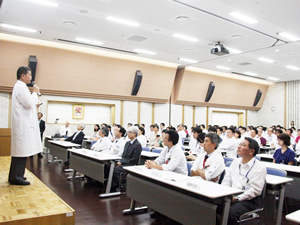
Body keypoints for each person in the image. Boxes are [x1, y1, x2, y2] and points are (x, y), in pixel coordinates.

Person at [9, 66, 43, 185]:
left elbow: (27, 104)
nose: (31, 77)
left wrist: (34, 103)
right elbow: (28, 103)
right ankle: (17, 177)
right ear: (22, 76)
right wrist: (35, 93)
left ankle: (15, 176)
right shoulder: (21, 87)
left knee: (19, 153)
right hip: (22, 126)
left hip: (21, 124)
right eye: (29, 75)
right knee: (21, 153)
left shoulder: (19, 86)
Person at [221, 137, 267, 225]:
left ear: (251, 151)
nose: (239, 147)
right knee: (213, 207)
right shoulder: (235, 162)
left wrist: (237, 199)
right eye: (240, 144)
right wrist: (225, 193)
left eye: (243, 145)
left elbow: (255, 191)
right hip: (232, 195)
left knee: (230, 213)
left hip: (249, 200)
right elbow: (227, 180)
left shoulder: (259, 167)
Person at [111, 126, 142, 191]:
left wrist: (122, 162)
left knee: (116, 170)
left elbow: (134, 160)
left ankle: (118, 186)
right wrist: (120, 161)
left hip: (130, 164)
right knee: (111, 166)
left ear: (135, 134)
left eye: (130, 132)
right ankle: (112, 185)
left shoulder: (138, 145)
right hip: (124, 161)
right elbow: (124, 155)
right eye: (127, 132)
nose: (128, 134)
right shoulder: (127, 143)